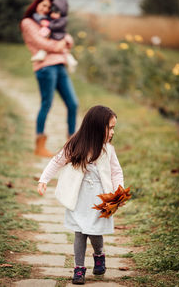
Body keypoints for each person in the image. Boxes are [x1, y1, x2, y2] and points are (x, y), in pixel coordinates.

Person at [38, 105, 124, 285]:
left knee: (94, 233)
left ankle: (99, 255)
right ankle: (79, 268)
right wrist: (44, 179)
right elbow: (57, 161)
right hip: (78, 198)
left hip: (99, 199)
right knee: (79, 233)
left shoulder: (108, 149)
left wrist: (119, 192)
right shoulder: (76, 145)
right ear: (96, 126)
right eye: (110, 127)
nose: (112, 132)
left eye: (113, 128)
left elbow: (116, 172)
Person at [20, 0, 78, 157]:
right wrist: (60, 45)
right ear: (36, 4)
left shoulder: (51, 21)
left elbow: (69, 38)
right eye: (43, 5)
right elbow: (40, 42)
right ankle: (40, 145)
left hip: (60, 65)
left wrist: (63, 42)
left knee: (73, 104)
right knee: (47, 103)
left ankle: (72, 147)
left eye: (48, 7)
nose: (46, 9)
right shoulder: (28, 22)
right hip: (45, 67)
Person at [31, 0, 78, 73]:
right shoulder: (50, 18)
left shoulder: (63, 20)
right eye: (52, 12)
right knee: (50, 45)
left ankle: (71, 61)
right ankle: (41, 54)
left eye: (55, 12)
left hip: (58, 36)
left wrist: (49, 25)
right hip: (52, 36)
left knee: (63, 50)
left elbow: (57, 26)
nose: (52, 14)